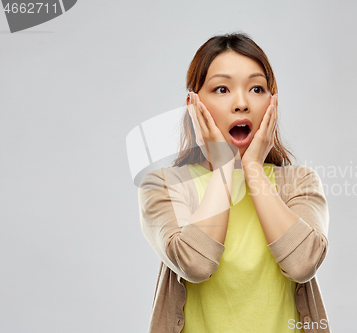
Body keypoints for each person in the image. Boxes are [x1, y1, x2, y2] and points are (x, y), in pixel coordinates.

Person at [138, 32, 331, 333]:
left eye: (256, 88)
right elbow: (196, 265)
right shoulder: (164, 185)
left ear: (272, 102)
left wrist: (252, 169)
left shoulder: (299, 182)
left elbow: (302, 264)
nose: (241, 103)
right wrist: (225, 167)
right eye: (222, 89)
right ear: (193, 104)